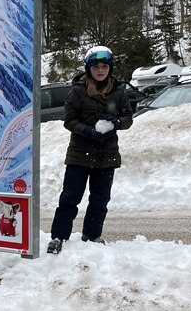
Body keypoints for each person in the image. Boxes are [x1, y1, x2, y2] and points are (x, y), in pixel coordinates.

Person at [47, 46, 133, 254]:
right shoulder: (78, 91)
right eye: (96, 67)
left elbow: (128, 118)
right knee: (69, 198)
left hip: (107, 155)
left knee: (100, 200)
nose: (100, 70)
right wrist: (86, 130)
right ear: (89, 69)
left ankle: (92, 235)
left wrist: (117, 123)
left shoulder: (119, 91)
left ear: (110, 68)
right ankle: (58, 237)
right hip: (79, 153)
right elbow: (69, 120)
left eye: (104, 66)